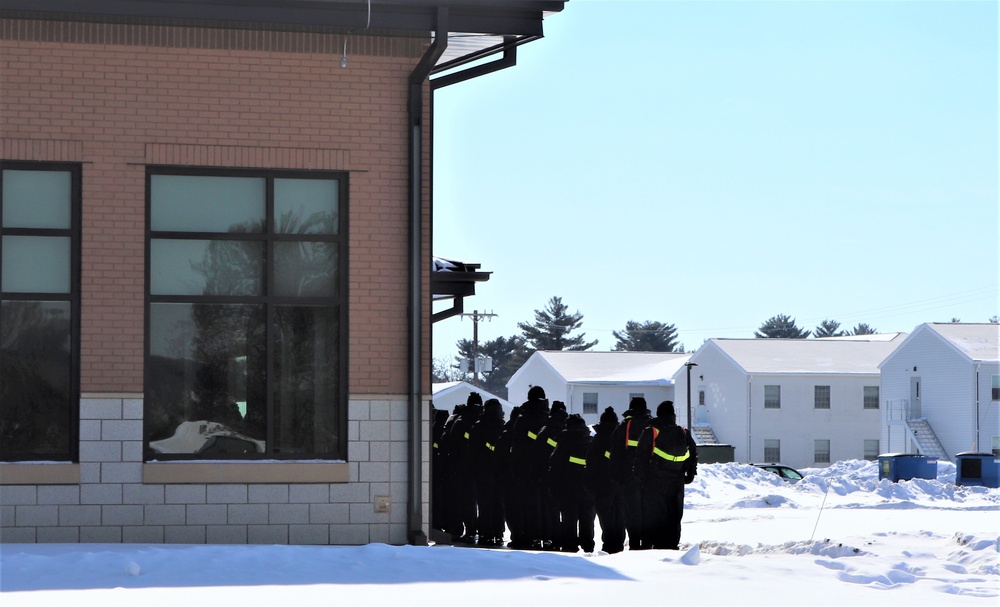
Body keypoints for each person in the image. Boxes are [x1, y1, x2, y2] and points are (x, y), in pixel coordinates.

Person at [633, 400, 698, 550]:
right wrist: (690, 474)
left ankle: (658, 548)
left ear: (658, 414)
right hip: (677, 482)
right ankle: (672, 546)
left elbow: (641, 457)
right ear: (673, 415)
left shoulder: (651, 432)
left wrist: (641, 479)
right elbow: (693, 454)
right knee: (674, 516)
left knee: (655, 515)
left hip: (655, 482)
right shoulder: (684, 432)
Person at [507, 385, 549, 549]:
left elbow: (517, 445)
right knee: (545, 504)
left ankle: (529, 537)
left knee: (527, 505)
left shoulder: (524, 419)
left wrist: (516, 469)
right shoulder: (549, 417)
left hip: (526, 469)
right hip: (546, 468)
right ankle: (545, 537)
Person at [548, 413, 595, 553]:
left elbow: (555, 465)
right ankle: (588, 545)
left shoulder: (564, 442)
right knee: (587, 516)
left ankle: (570, 544)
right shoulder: (590, 441)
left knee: (569, 517)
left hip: (568, 487)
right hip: (587, 486)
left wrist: (553, 486)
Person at [609, 396, 652, 549]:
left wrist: (615, 479)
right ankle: (648, 544)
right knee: (648, 512)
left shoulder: (624, 427)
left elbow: (615, 455)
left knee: (632, 513)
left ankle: (634, 544)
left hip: (629, 479)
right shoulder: (653, 426)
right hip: (650, 479)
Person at [585, 406, 625, 553]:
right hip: (620, 486)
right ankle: (618, 546)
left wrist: (590, 486)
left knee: (606, 519)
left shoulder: (597, 440)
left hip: (601, 487)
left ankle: (609, 546)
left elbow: (590, 464)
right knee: (620, 517)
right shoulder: (622, 438)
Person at [468, 398, 506, 547]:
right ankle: (498, 534)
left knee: (484, 504)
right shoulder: (503, 427)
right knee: (498, 504)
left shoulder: (478, 427)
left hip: (482, 473)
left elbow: (472, 452)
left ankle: (486, 534)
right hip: (500, 473)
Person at [534, 400, 567, 550]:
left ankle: (550, 538)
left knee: (549, 510)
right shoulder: (571, 430)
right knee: (568, 512)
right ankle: (566, 539)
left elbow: (538, 454)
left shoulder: (545, 431)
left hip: (547, 476)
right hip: (568, 477)